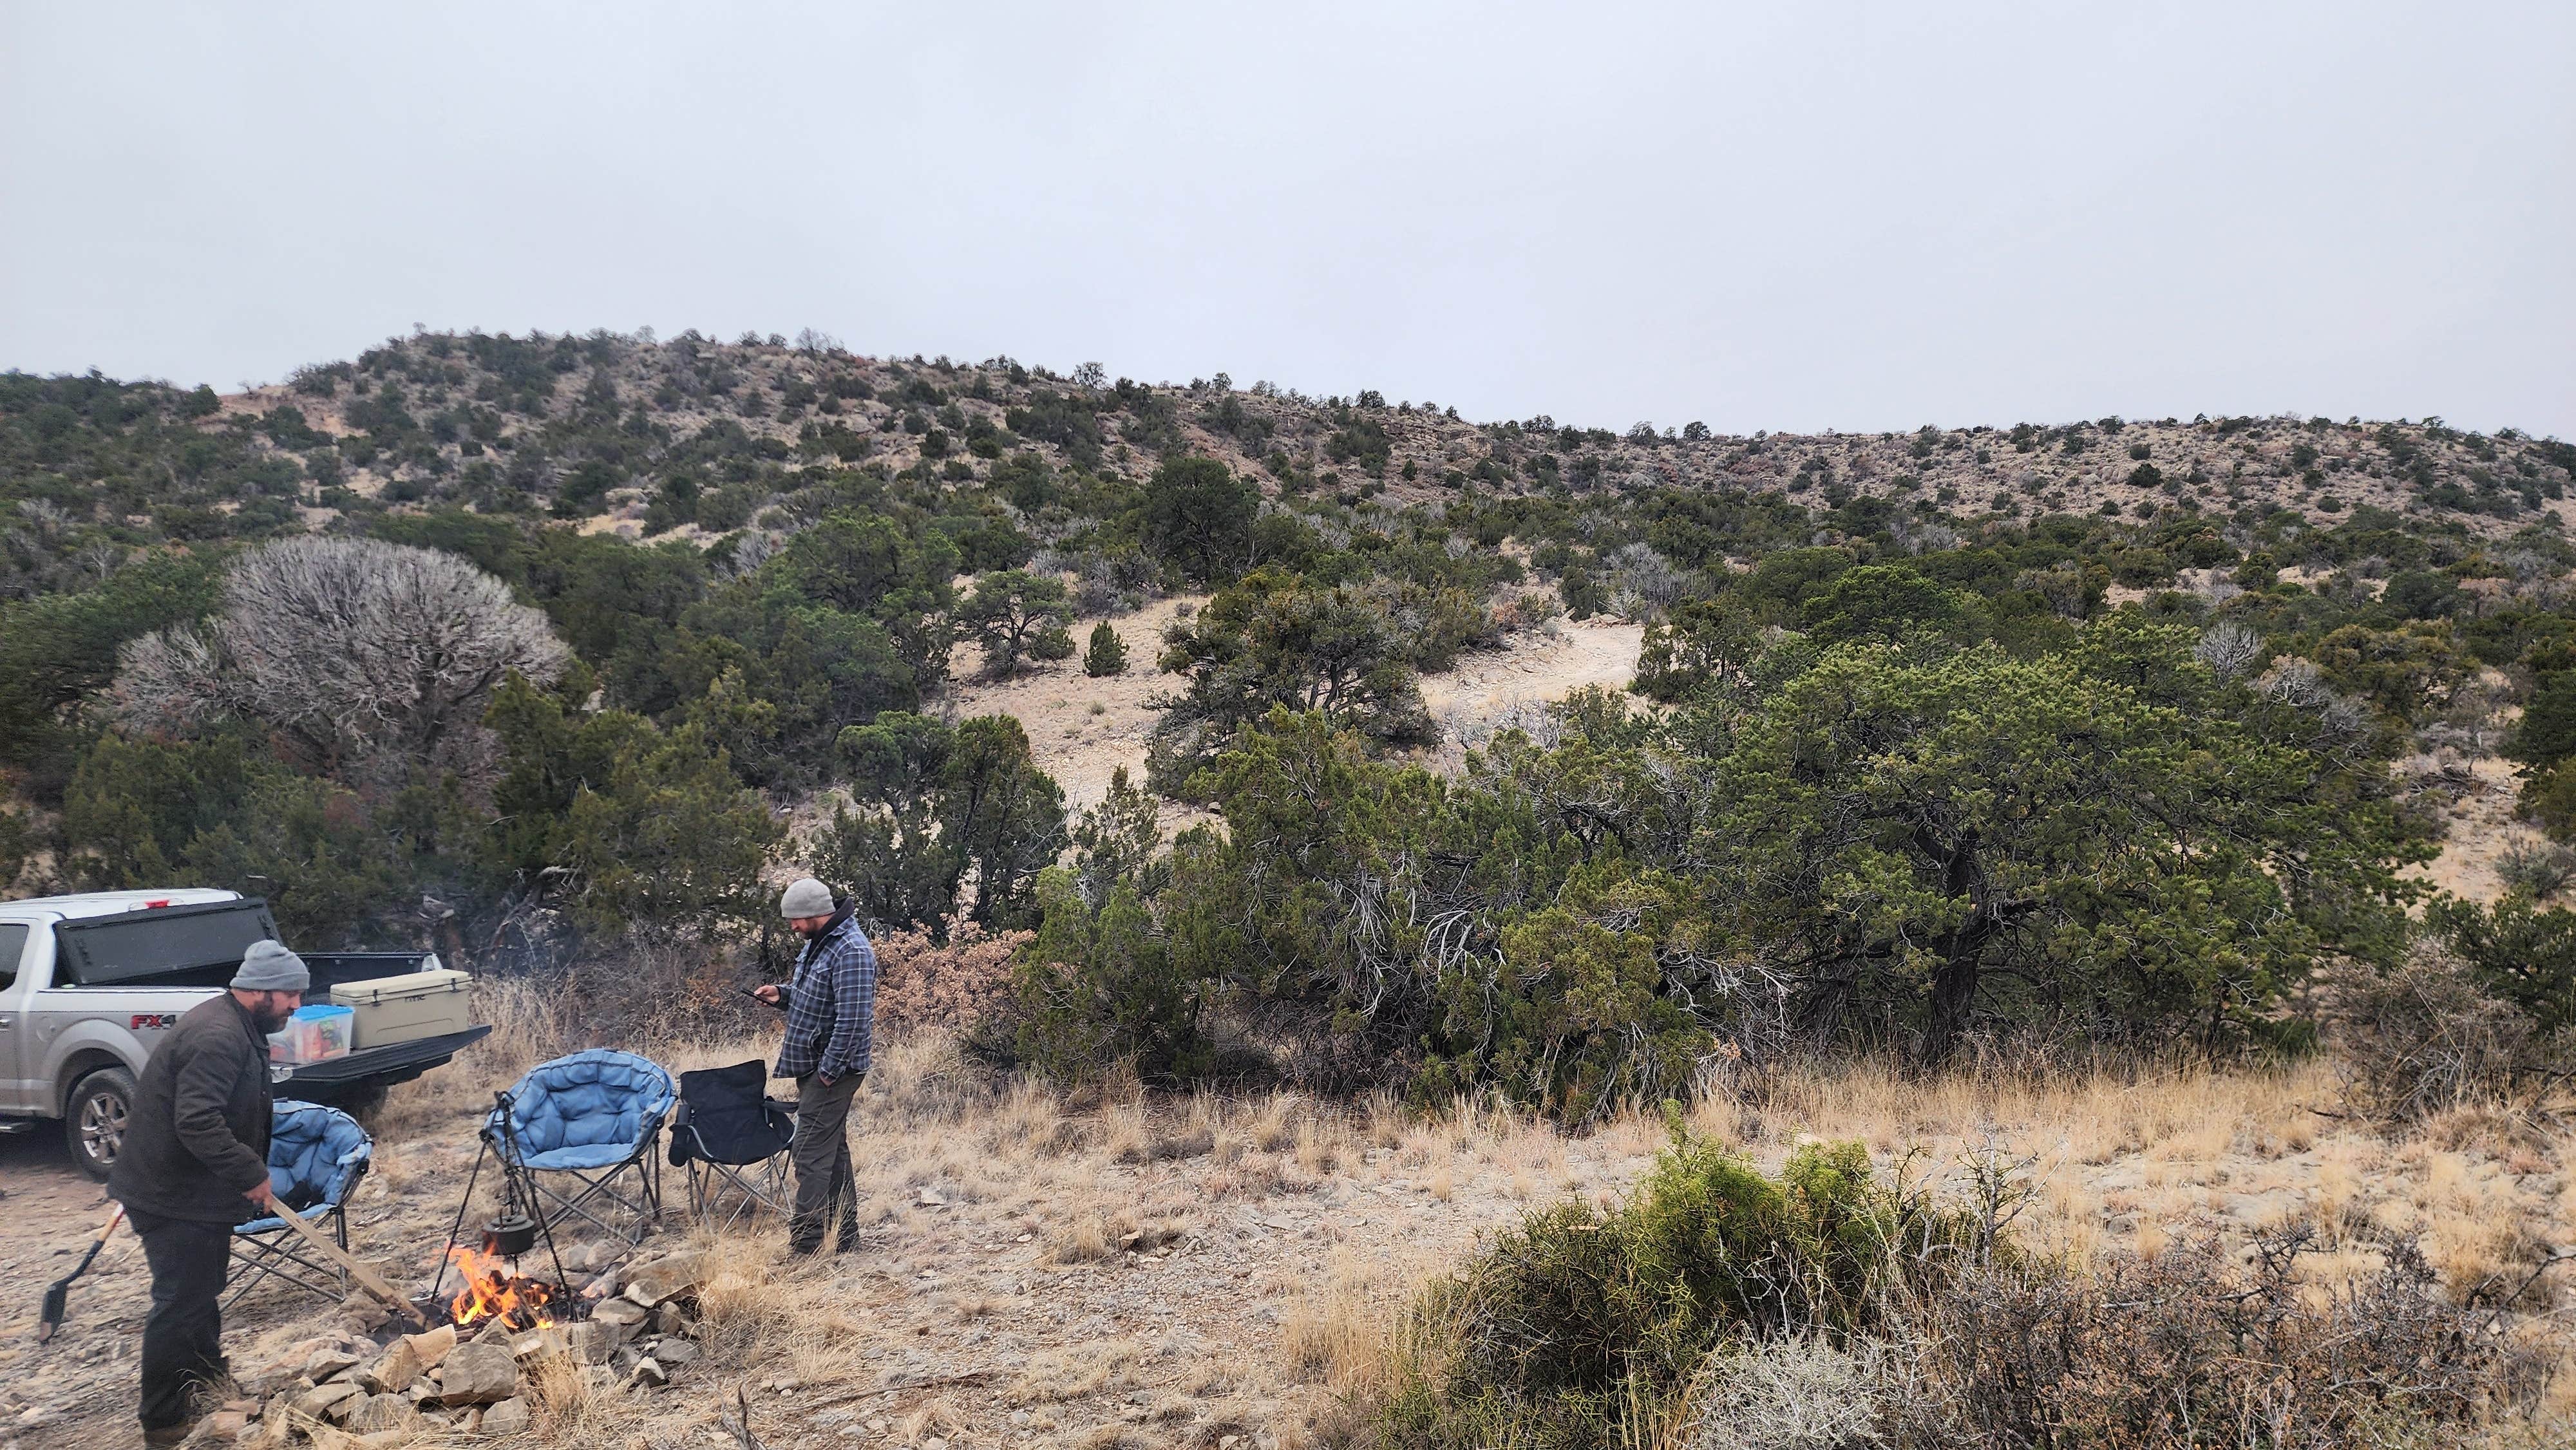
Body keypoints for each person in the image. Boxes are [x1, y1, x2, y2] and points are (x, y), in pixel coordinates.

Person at [108, 940, 305, 1447]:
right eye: (291, 996)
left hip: (189, 1191)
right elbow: (196, 1120)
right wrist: (249, 1172)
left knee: (199, 1294)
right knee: (180, 1303)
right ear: (260, 992)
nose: (297, 1006)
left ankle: (207, 1382)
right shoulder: (218, 1034)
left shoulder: (239, 1024)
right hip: (172, 1193)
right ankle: (164, 1422)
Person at [753, 877, 878, 1256]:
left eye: (795, 919)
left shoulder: (852, 952)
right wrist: (782, 996)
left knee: (808, 1151)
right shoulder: (820, 944)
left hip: (834, 1071)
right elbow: (816, 1000)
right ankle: (845, 1237)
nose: (792, 927)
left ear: (816, 914)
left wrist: (828, 1072)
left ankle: (805, 1246)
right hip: (816, 1065)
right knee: (832, 1150)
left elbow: (854, 1021)